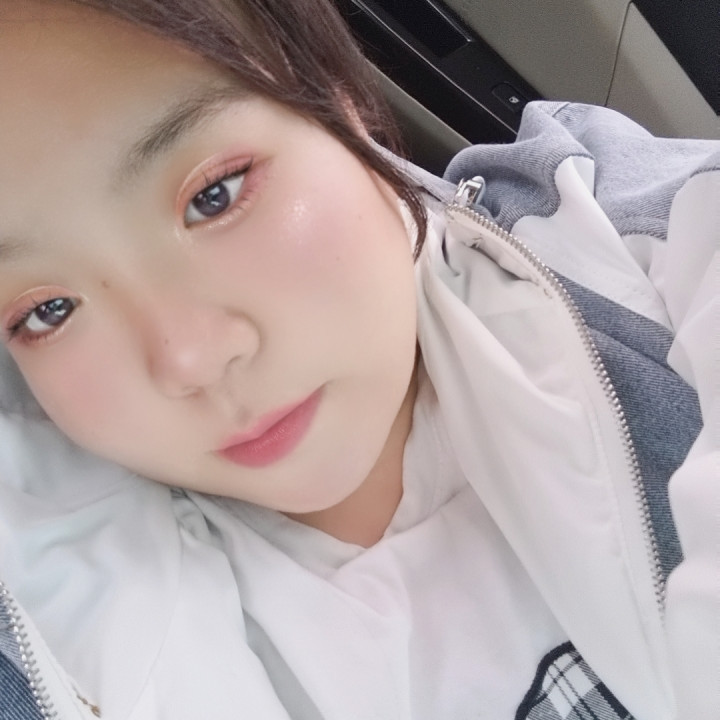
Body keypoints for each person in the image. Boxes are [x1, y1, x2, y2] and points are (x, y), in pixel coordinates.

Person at [0, 1, 717, 718]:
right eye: (47, 310)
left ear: (341, 106)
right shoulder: (64, 619)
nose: (190, 360)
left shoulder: (609, 241)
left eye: (214, 197)